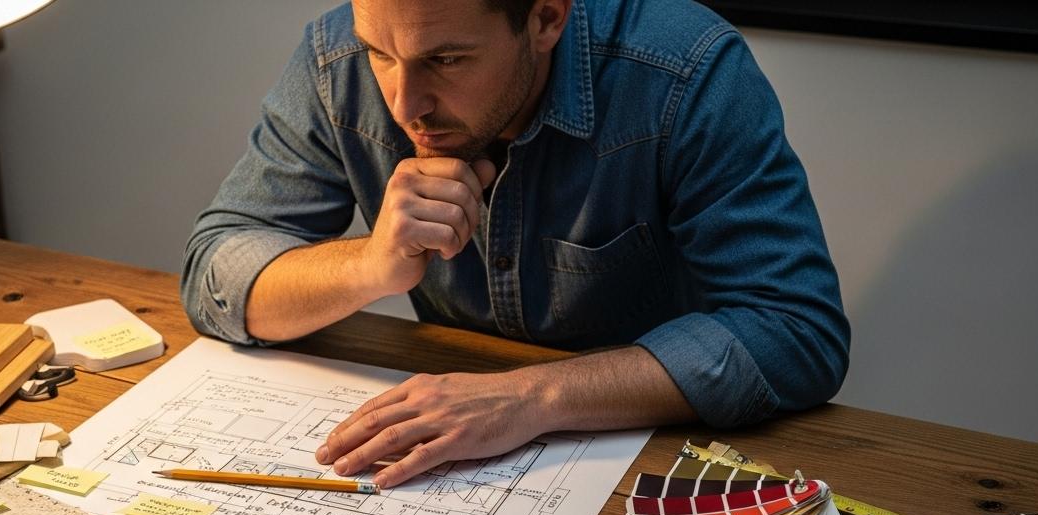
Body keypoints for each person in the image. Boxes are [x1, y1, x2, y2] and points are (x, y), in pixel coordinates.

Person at [182, 0, 850, 490]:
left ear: (545, 19)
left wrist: (532, 398)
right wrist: (367, 264)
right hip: (461, 475)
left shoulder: (687, 72)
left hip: (660, 472)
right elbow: (216, 270)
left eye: (445, 60)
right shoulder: (337, 57)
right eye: (380, 55)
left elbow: (795, 332)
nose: (403, 102)